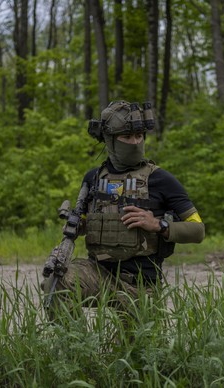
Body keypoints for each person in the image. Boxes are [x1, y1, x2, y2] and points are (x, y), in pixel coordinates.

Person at [41, 100, 205, 316]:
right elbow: (81, 221)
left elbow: (198, 230)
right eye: (127, 137)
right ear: (109, 140)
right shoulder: (93, 178)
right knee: (56, 283)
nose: (135, 142)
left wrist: (159, 224)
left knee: (135, 348)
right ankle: (77, 346)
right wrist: (81, 224)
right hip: (98, 274)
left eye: (139, 136)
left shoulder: (160, 179)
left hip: (140, 284)